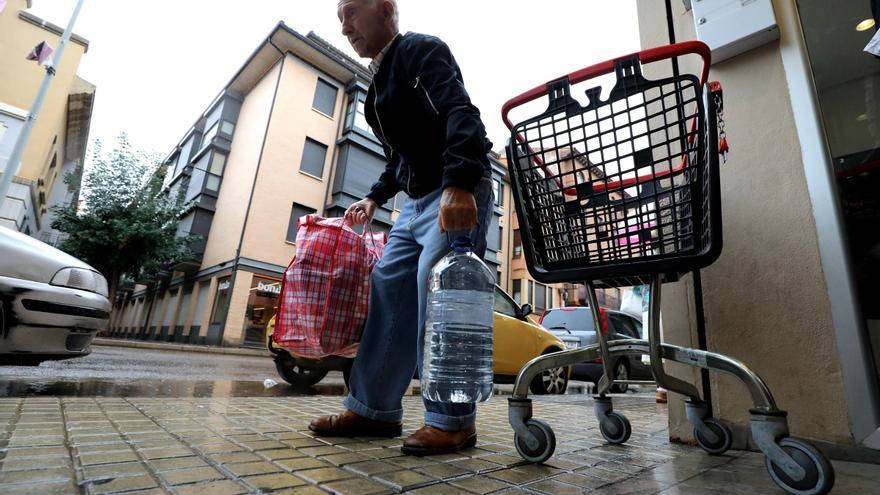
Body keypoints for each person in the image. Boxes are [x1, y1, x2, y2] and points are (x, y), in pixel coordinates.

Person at [308, 0, 494, 456]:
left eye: (351, 12)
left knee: (443, 293)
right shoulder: (377, 88)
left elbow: (461, 113)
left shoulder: (420, 51)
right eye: (339, 19)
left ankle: (452, 421)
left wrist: (459, 183)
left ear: (386, 9)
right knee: (388, 287)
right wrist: (374, 197)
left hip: (453, 190)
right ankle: (372, 410)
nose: (344, 26)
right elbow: (400, 160)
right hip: (413, 204)